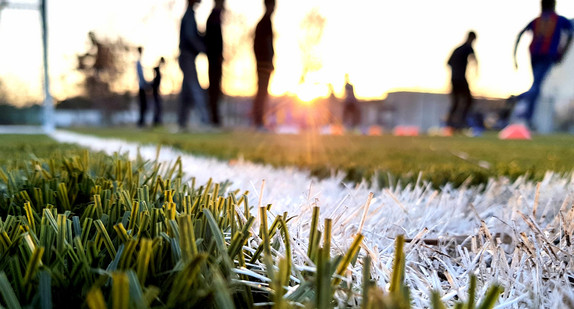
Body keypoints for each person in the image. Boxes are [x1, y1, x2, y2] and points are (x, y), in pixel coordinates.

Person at [509, 0, 573, 130]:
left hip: (533, 55)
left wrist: (515, 57)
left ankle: (527, 118)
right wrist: (563, 51)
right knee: (536, 86)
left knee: (536, 85)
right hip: (548, 55)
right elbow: (571, 32)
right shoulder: (559, 20)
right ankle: (519, 98)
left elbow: (520, 35)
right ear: (554, 5)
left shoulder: (536, 20)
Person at [178, 0, 206, 131]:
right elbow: (190, 36)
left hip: (187, 56)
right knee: (195, 87)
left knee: (187, 90)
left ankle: (182, 122)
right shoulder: (189, 15)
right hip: (187, 56)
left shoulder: (189, 14)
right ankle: (205, 120)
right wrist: (202, 47)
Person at [446, 31, 477, 131]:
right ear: (471, 38)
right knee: (468, 100)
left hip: (454, 79)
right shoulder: (468, 47)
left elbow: (448, 63)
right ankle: (460, 122)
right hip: (460, 78)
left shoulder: (457, 49)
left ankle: (450, 123)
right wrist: (476, 71)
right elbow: (475, 60)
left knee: (455, 102)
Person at [252, 0, 276, 130]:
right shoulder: (264, 23)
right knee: (261, 92)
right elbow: (263, 45)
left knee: (262, 92)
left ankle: (259, 120)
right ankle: (258, 121)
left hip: (264, 64)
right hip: (263, 65)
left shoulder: (265, 22)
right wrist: (265, 62)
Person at [206, 0, 224, 127]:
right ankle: (213, 118)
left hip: (215, 59)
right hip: (213, 60)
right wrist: (216, 56)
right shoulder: (213, 18)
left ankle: (214, 117)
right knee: (213, 89)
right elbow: (211, 40)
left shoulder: (217, 17)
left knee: (215, 89)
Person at [136, 46, 148, 127]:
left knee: (144, 106)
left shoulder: (140, 62)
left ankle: (142, 121)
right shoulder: (138, 62)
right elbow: (140, 75)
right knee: (143, 105)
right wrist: (146, 84)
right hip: (141, 87)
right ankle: (141, 122)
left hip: (142, 86)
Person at [151, 57, 165, 126]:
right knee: (157, 107)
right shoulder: (157, 69)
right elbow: (154, 69)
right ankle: (156, 121)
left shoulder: (159, 69)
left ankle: (157, 121)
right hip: (155, 91)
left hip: (157, 91)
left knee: (158, 107)